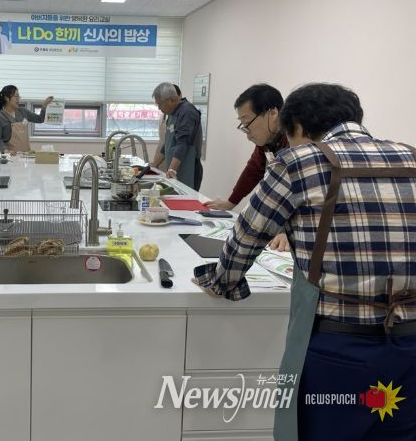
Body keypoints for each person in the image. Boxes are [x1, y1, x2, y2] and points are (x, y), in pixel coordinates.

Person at [193, 83, 416, 441]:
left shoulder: (298, 161)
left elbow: (247, 236)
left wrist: (222, 282)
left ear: (296, 127)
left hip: (340, 348)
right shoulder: (410, 156)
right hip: (409, 347)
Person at [204, 84, 290, 250]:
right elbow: (253, 170)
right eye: (242, 124)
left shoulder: (297, 140)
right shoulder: (267, 142)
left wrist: (290, 231)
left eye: (247, 122)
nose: (247, 132)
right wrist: (231, 202)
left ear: (273, 113)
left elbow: (310, 192)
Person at [148, 82, 203, 190]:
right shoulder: (172, 113)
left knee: (185, 199)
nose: (159, 108)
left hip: (188, 169)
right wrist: (154, 165)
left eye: (160, 104)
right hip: (176, 169)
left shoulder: (187, 112)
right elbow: (168, 143)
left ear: (172, 100)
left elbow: (182, 143)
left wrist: (172, 170)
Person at [0, 85, 53, 154]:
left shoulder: (23, 112)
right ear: (6, 98)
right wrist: (6, 151)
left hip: (26, 155)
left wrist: (44, 106)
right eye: (16, 96)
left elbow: (40, 119)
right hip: (11, 156)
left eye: (19, 97)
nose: (18, 99)